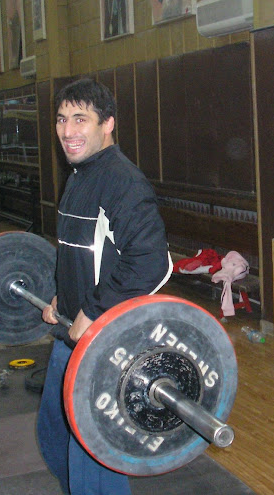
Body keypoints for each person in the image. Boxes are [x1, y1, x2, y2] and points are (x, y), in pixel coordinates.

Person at [38, 78, 172, 495]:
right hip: (71, 335)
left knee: (94, 461)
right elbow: (85, 251)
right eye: (62, 119)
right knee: (53, 435)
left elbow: (151, 261)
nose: (68, 130)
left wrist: (93, 311)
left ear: (107, 124)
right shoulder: (79, 174)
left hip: (106, 344)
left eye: (81, 119)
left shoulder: (122, 181)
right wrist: (65, 293)